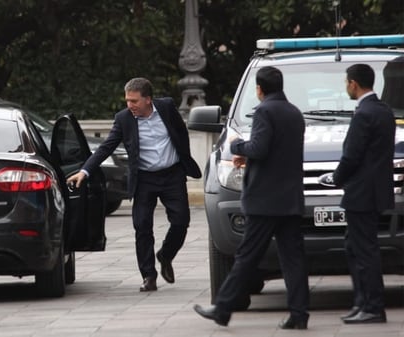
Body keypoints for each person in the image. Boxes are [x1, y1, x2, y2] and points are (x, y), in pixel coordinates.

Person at [193, 66, 310, 329]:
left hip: (265, 200)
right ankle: (299, 314)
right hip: (290, 198)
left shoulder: (265, 111)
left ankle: (222, 308)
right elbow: (278, 152)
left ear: (259, 89)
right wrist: (250, 153)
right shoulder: (294, 113)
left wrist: (236, 144)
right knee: (293, 258)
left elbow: (259, 147)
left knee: (246, 255)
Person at [66, 77, 201, 292]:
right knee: (142, 226)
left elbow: (180, 132)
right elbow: (106, 147)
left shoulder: (166, 107)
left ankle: (166, 255)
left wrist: (184, 158)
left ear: (148, 99)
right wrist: (85, 170)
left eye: (134, 101)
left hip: (172, 174)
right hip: (144, 178)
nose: (130, 105)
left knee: (181, 221)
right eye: (127, 101)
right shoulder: (124, 119)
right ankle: (148, 275)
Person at [331, 64, 395, 324]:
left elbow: (352, 155)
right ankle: (362, 302)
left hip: (361, 193)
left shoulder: (364, 114)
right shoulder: (383, 111)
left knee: (364, 251)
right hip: (375, 192)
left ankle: (372, 306)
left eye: (347, 82)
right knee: (354, 246)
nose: (346, 86)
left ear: (354, 84)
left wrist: (336, 178)